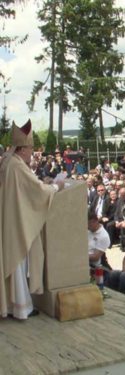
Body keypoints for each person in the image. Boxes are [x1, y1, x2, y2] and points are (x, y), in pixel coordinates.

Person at [0, 120, 65, 319]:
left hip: (9, 218)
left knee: (15, 261)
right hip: (16, 221)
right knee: (18, 260)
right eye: (30, 148)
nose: (32, 152)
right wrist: (56, 186)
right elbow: (35, 191)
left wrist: (42, 182)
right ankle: (20, 307)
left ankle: (13, 305)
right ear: (22, 149)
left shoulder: (8, 161)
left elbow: (28, 187)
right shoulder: (16, 165)